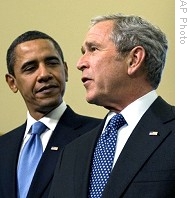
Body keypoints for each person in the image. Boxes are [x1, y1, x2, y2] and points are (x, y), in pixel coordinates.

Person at [48, 13, 175, 198]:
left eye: (93, 49)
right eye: (83, 52)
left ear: (134, 59)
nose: (80, 63)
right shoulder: (72, 152)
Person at [0, 30, 102, 198]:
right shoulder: (3, 146)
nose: (44, 74)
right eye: (30, 68)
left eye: (52, 63)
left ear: (66, 70)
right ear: (12, 82)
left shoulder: (98, 134)